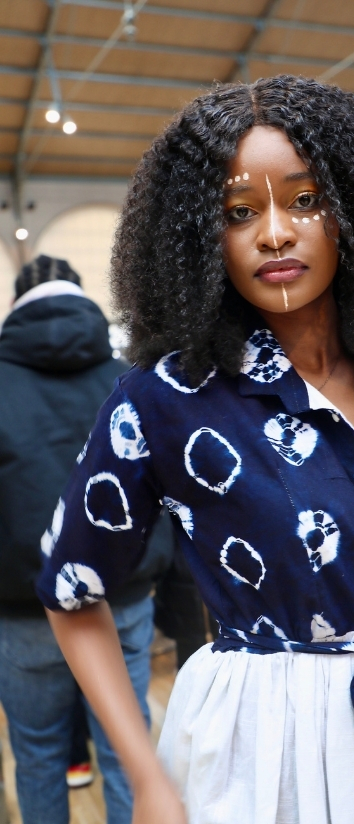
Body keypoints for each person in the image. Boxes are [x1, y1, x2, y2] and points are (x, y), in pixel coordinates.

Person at [35, 76, 354, 824]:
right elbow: (71, 586)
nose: (275, 232)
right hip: (251, 753)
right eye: (238, 212)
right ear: (197, 235)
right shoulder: (165, 400)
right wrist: (146, 774)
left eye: (306, 200)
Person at [0, 255, 173, 824]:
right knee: (128, 755)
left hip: (21, 609)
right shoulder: (127, 376)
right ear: (78, 295)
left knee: (39, 755)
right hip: (119, 596)